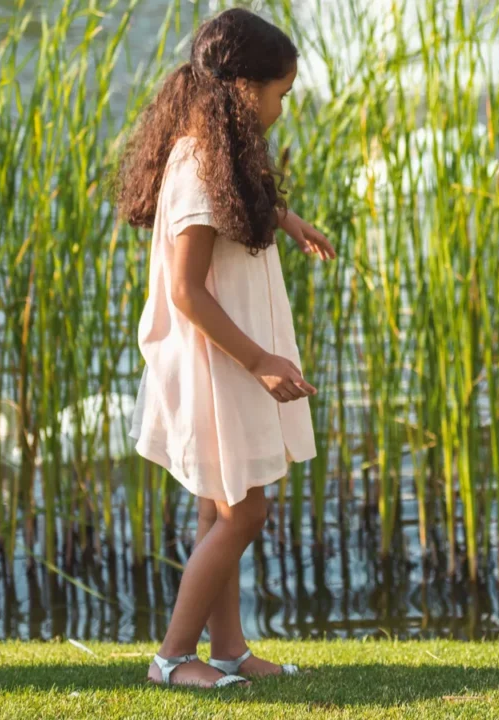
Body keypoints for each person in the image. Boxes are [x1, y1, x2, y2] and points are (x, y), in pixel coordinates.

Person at [115, 7, 335, 689]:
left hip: (225, 360)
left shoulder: (221, 153)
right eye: (280, 95)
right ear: (243, 88)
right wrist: (260, 360)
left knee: (222, 502)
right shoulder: (195, 167)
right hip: (215, 362)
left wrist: (287, 218)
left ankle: (230, 650)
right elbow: (186, 291)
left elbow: (239, 210)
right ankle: (172, 660)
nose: (282, 109)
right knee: (245, 509)